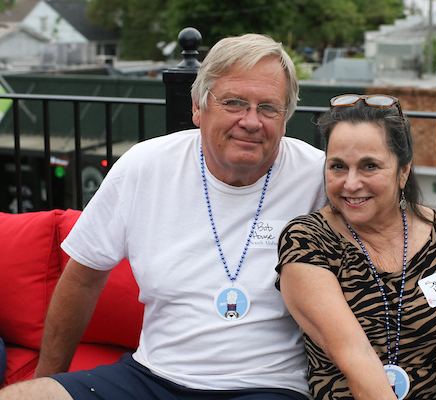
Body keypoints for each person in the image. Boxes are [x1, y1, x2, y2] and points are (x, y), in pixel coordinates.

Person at [0, 33, 327, 400]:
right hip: (152, 376)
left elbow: (390, 239)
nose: (251, 121)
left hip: (266, 385)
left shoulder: (318, 177)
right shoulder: (145, 166)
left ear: (286, 118)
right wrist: (49, 378)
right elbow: (81, 280)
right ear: (198, 108)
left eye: (268, 108)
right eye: (234, 103)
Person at [276, 94, 436, 400]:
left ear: (403, 171)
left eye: (369, 166)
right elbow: (355, 358)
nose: (350, 183)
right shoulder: (307, 241)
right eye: (338, 166)